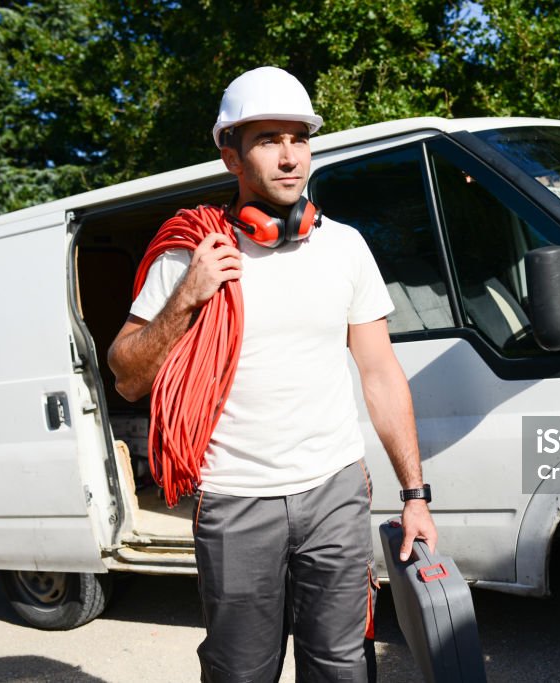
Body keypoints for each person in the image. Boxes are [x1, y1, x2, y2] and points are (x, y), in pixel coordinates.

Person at [107, 66, 437, 683]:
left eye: (299, 138)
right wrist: (187, 296)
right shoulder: (189, 253)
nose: (290, 157)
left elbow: (381, 373)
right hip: (234, 498)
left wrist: (415, 495)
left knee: (342, 664)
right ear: (230, 153)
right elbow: (127, 376)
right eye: (268, 140)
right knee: (240, 671)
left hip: (335, 492)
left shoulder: (345, 247)